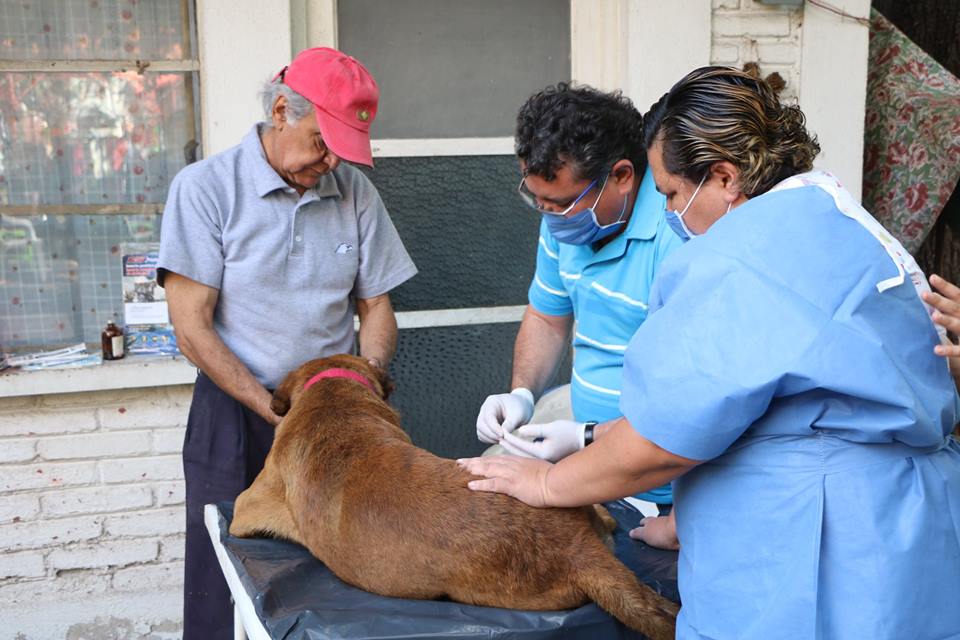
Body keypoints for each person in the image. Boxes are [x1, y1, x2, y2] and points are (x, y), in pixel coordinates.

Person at [460, 67, 960, 640]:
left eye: (671, 192)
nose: (671, 211)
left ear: (724, 177)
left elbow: (664, 439)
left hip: (815, 547)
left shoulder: (739, 256)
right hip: (912, 534)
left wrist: (545, 484)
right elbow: (779, 401)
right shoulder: (842, 216)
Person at [158, 48, 417, 640]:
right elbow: (192, 326)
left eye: (342, 151)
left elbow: (376, 306)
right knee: (224, 564)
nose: (329, 163)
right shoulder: (206, 189)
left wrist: (364, 382)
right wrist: (272, 407)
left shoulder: (352, 194)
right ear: (281, 109)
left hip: (333, 407)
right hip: (238, 409)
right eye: (321, 143)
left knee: (344, 551)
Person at [474, 83, 682, 528]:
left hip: (669, 487)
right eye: (538, 201)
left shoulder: (678, 237)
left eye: (562, 203)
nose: (549, 216)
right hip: (590, 465)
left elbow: (686, 405)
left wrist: (583, 442)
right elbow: (547, 319)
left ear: (622, 176)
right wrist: (521, 393)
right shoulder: (563, 223)